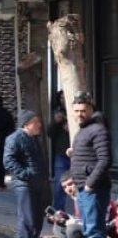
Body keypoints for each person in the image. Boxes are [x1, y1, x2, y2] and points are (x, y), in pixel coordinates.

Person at [70, 92, 111, 238]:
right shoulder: (84, 129)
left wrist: (90, 183)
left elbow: (105, 160)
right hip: (83, 188)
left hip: (94, 189)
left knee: (93, 232)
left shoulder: (98, 129)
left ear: (91, 110)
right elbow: (90, 154)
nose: (79, 114)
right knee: (89, 230)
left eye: (83, 111)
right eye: (76, 111)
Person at [5, 110, 47, 238]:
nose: (39, 125)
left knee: (37, 221)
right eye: (36, 122)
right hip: (25, 186)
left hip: (36, 184)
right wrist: (26, 174)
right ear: (27, 124)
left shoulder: (34, 139)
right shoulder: (15, 138)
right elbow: (8, 161)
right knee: (27, 222)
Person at [50, 107, 73, 211]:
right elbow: (50, 132)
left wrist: (72, 129)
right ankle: (58, 211)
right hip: (61, 155)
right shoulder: (58, 114)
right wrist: (56, 122)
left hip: (76, 156)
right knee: (59, 184)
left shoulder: (77, 113)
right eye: (61, 98)